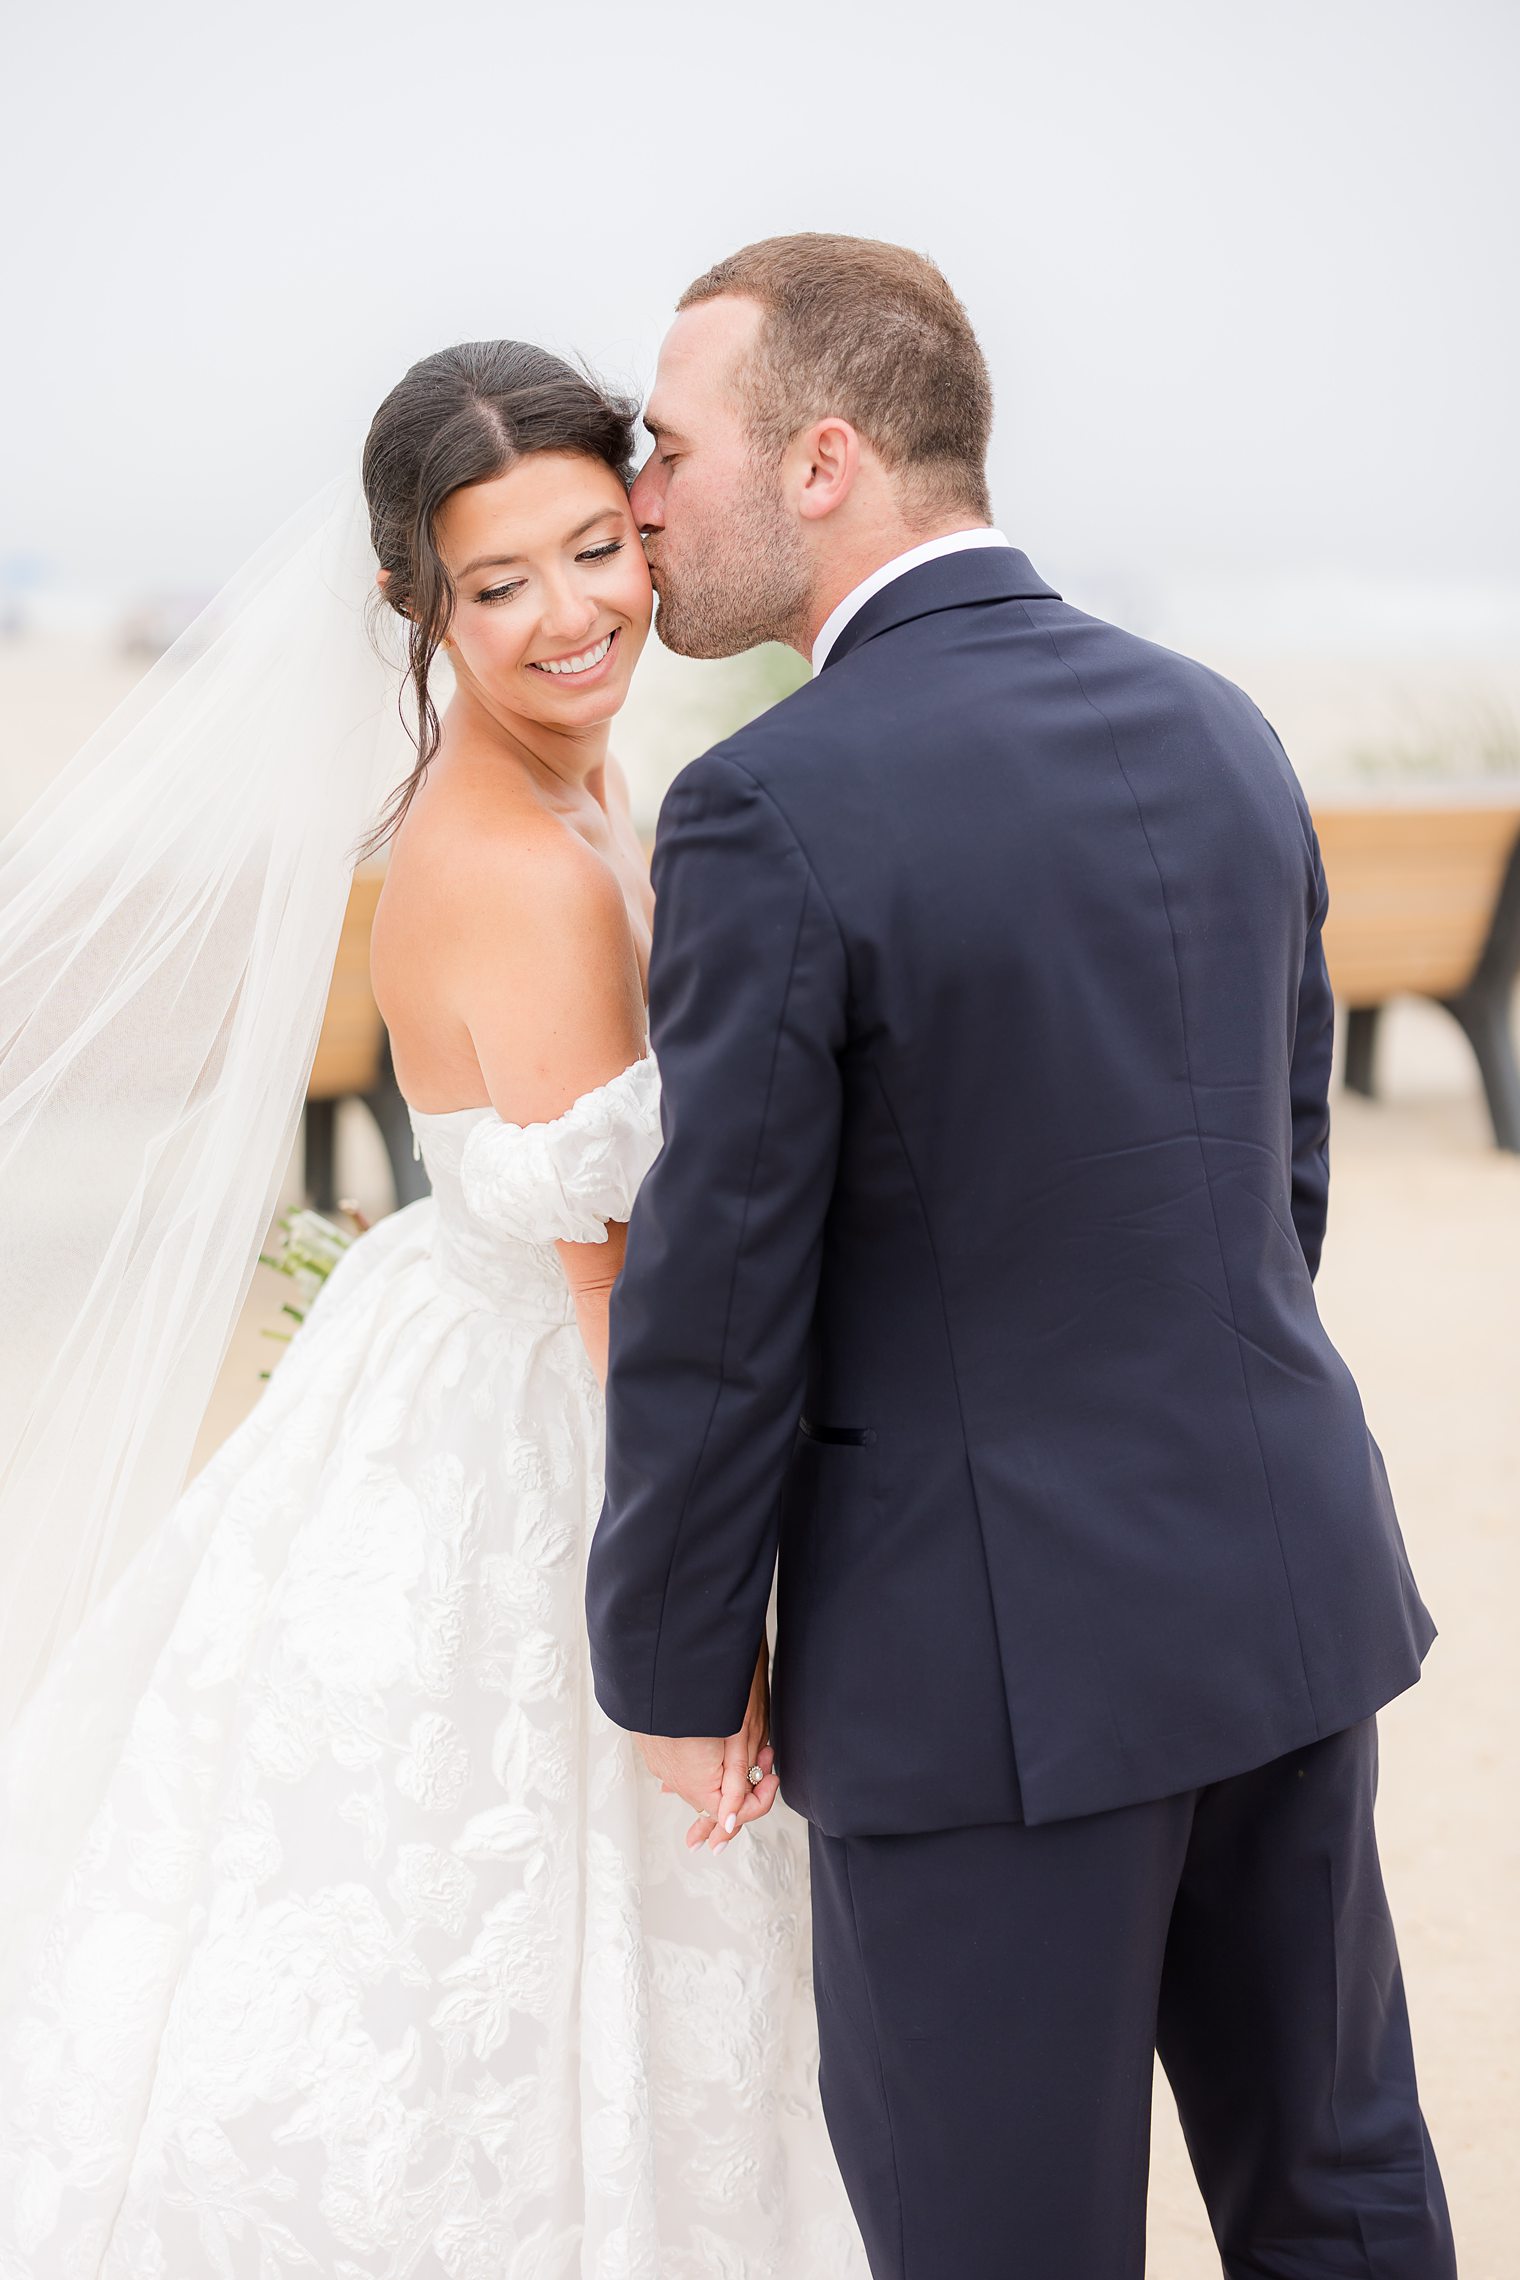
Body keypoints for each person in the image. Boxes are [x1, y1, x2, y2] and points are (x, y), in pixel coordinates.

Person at [587, 234, 1459, 2279]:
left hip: (984, 1687)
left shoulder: (768, 805)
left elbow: (725, 1309)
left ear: (819, 462)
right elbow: (1281, 1178)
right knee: (1337, 2195)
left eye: (668, 440)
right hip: (1275, 1597)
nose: (640, 490)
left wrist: (674, 1660)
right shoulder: (1217, 726)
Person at [0, 342, 865, 2277]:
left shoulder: (573, 777)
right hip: (537, 1426)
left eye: (593, 550)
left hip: (449, 1354)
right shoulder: (513, 868)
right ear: (413, 603)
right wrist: (696, 1641)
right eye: (500, 585)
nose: (574, 615)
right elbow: (615, 1276)